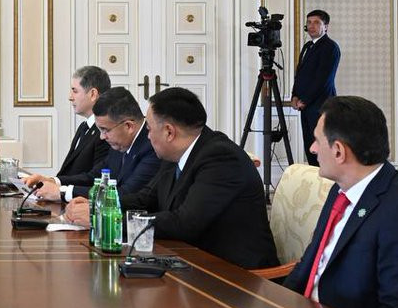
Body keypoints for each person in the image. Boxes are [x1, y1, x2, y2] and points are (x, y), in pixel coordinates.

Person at [64, 87, 278, 270]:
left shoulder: (220, 158)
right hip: (192, 262)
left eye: (149, 129)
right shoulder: (173, 154)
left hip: (235, 276)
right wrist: (99, 205)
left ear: (169, 132)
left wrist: (106, 219)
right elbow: (145, 199)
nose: (147, 136)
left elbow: (185, 223)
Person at [284, 96, 398, 308]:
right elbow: (311, 263)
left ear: (338, 151)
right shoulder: (341, 189)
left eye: (317, 140)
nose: (313, 149)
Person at [27, 86, 160, 202]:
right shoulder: (119, 142)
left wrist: (62, 192)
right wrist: (53, 181)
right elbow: (94, 177)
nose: (102, 137)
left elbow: (125, 194)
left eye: (105, 130)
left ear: (128, 126)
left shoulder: (153, 147)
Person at [290, 9, 340, 166]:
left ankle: (324, 180)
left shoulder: (330, 47)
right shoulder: (307, 46)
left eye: (316, 22)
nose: (311, 26)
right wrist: (294, 95)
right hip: (305, 106)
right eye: (309, 22)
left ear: (326, 26)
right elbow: (300, 75)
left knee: (322, 148)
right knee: (309, 146)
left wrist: (305, 100)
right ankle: (313, 178)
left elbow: (323, 80)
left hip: (321, 106)